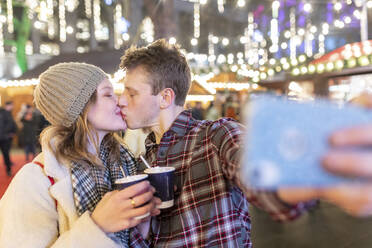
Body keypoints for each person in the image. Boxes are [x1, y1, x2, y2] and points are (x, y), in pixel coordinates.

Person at [118, 39, 315, 247]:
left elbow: (269, 185)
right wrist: (142, 224)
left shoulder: (216, 136)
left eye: (131, 93)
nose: (121, 100)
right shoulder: (144, 161)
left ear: (165, 97)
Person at [0, 62, 160, 247]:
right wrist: (97, 227)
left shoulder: (125, 162)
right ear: (80, 107)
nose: (120, 101)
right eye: (108, 94)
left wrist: (144, 220)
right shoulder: (35, 179)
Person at [0, 101, 17, 176]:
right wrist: (8, 134)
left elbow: (12, 125)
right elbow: (8, 125)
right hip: (4, 137)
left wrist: (12, 132)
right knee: (6, 154)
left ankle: (8, 169)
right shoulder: (4, 113)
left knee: (6, 154)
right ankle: (8, 170)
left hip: (5, 137)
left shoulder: (7, 113)